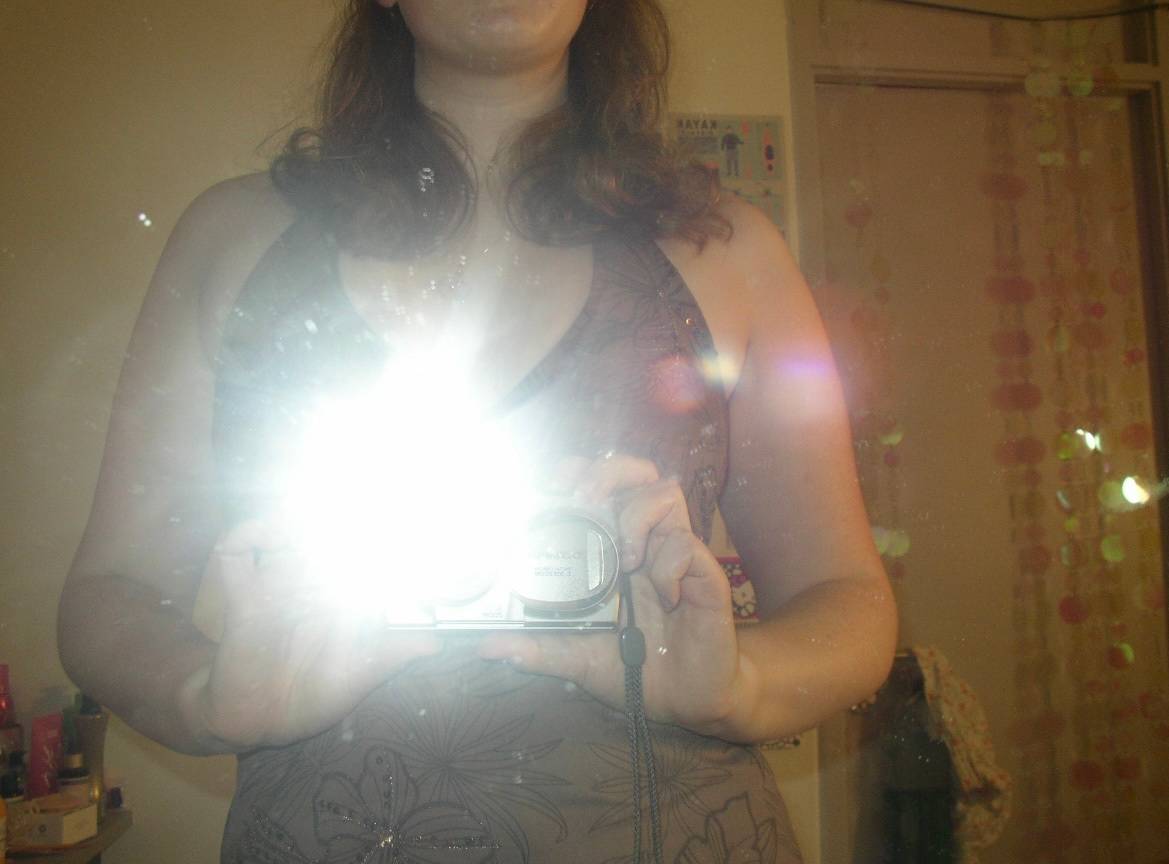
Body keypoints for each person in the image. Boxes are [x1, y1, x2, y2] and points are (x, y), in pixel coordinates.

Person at [58, 1, 896, 861]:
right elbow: (112, 588)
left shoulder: (730, 250)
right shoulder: (230, 238)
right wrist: (203, 698)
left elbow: (846, 596)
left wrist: (735, 688)